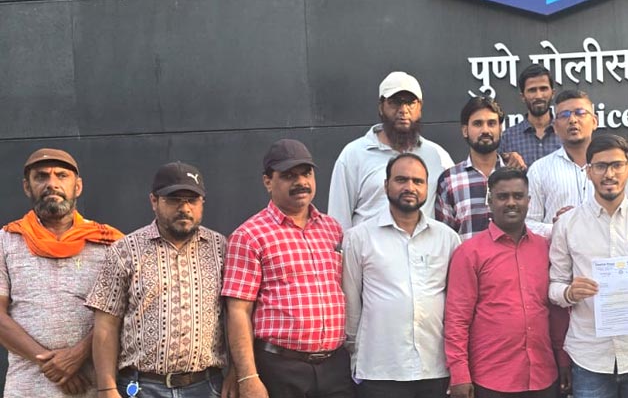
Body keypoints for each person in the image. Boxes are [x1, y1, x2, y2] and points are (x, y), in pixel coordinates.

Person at [87, 161, 233, 398]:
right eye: (174, 200)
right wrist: (106, 387)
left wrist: (237, 372)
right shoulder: (125, 251)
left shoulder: (221, 249)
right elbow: (106, 325)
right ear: (154, 201)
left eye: (192, 200)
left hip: (206, 386)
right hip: (141, 387)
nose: (184, 208)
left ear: (202, 203)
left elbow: (236, 316)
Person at [223, 139, 353, 398]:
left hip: (335, 368)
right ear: (268, 181)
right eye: (289, 176)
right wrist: (248, 377)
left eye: (306, 173)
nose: (301, 182)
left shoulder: (332, 229)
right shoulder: (249, 236)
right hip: (280, 368)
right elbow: (238, 311)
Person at [548, 134, 628, 398]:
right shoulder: (568, 224)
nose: (609, 174)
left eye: (617, 165)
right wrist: (569, 292)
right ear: (588, 171)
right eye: (601, 166)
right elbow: (554, 286)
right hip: (590, 355)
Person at [0, 148, 123, 397]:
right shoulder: (6, 240)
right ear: (27, 187)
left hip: (95, 387)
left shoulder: (109, 243)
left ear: (78, 186)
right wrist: (50, 364)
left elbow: (123, 312)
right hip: (26, 389)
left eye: (62, 175)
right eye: (41, 176)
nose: (52, 184)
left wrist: (77, 355)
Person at [343, 153, 460, 398]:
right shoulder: (359, 237)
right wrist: (354, 352)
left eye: (418, 181)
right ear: (386, 185)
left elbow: (456, 304)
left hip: (434, 367)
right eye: (401, 180)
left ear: (426, 187)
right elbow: (351, 302)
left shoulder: (447, 238)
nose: (410, 187)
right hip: (380, 369)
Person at [445, 168, 567, 398]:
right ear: (490, 202)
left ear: (528, 201)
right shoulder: (469, 253)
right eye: (503, 197)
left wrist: (563, 360)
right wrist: (459, 374)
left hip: (543, 375)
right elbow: (457, 319)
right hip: (491, 379)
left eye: (518, 196)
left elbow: (555, 312)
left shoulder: (545, 248)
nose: (511, 203)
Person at [328, 71, 454, 230]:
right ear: (381, 107)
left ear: (420, 107)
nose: (403, 110)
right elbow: (338, 222)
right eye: (395, 102)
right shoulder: (354, 155)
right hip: (369, 246)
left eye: (410, 103)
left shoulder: (437, 156)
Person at [527, 90, 628, 238]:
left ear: (594, 122)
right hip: (560, 250)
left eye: (580, 113)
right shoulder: (539, 170)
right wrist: (557, 227)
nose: (573, 120)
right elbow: (528, 223)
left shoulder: (616, 167)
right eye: (564, 115)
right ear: (555, 127)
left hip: (611, 249)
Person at [436, 96, 508, 240]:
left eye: (491, 123)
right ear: (465, 131)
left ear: (500, 129)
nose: (485, 130)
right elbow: (444, 239)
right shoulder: (449, 180)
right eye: (478, 124)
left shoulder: (515, 175)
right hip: (466, 255)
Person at [499, 64, 561, 167]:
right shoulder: (507, 138)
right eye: (532, 90)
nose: (538, 96)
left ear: (553, 93)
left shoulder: (565, 134)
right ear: (522, 96)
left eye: (543, 89)